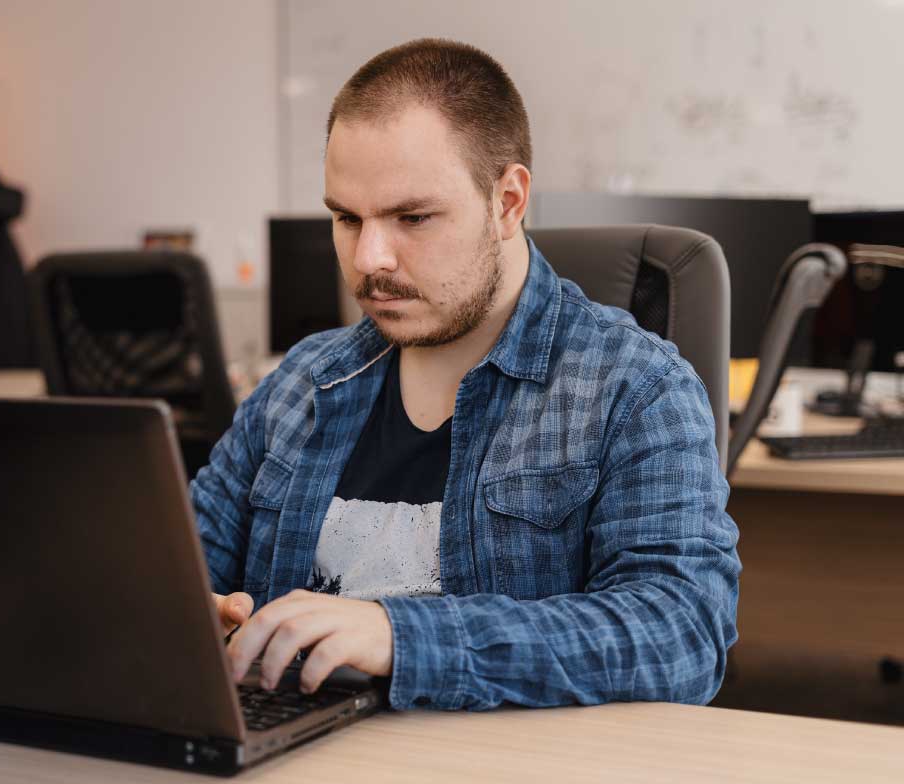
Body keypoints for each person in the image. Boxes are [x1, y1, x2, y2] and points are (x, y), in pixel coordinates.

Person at [193, 38, 740, 710]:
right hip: (290, 763)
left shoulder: (635, 387)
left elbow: (682, 636)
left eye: (412, 217)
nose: (369, 258)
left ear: (508, 202)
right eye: (346, 217)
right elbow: (181, 565)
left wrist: (402, 636)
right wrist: (180, 613)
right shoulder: (300, 383)